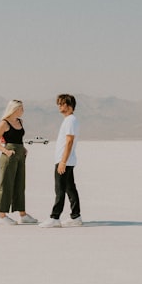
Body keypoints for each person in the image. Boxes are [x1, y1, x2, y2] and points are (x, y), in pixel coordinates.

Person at [0, 100, 38, 226]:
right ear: (14, 109)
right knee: (6, 184)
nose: (23, 111)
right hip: (9, 156)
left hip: (20, 155)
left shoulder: (20, 122)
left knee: (20, 184)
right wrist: (5, 151)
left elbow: (19, 138)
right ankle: (2, 216)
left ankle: (22, 215)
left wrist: (22, 148)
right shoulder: (4, 123)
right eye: (21, 108)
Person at [39, 94, 82, 228]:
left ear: (69, 106)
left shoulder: (70, 120)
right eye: (59, 104)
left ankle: (55, 217)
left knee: (60, 189)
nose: (60, 106)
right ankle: (76, 217)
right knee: (70, 189)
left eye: (62, 104)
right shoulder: (70, 120)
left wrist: (63, 161)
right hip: (67, 160)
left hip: (65, 161)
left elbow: (69, 141)